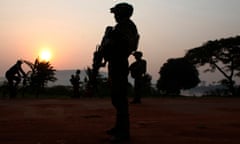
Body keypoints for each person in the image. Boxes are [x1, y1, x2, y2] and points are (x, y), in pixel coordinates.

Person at [101, 2, 139, 142]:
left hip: (119, 62)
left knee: (120, 98)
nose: (115, 16)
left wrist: (112, 36)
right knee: (116, 98)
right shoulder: (121, 26)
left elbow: (126, 45)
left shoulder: (126, 26)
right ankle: (119, 127)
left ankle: (123, 132)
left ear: (122, 13)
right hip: (115, 62)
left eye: (116, 13)